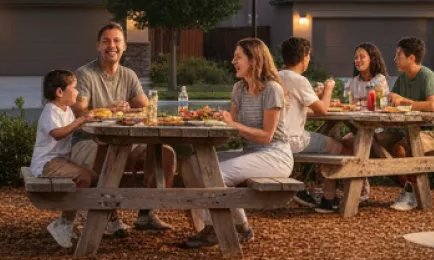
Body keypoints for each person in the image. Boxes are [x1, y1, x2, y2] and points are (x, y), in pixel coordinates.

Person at [179, 38, 293, 248]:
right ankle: (241, 227)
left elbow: (267, 135)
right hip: (251, 151)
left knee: (214, 173)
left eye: (238, 57)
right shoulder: (239, 88)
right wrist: (212, 117)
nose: (233, 61)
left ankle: (213, 229)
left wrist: (233, 124)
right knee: (194, 164)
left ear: (254, 60)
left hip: (275, 155)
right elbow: (232, 128)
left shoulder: (272, 89)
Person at [71, 21, 176, 236]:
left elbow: (145, 107)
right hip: (88, 142)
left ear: (124, 46)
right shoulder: (85, 74)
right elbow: (79, 112)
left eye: (117, 41)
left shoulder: (129, 75)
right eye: (106, 41)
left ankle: (147, 213)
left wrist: (131, 110)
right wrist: (108, 109)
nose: (112, 45)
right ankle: (106, 214)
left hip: (125, 140)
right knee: (111, 152)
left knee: (165, 153)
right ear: (98, 46)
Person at [31, 70, 97, 248]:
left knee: (94, 174)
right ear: (60, 92)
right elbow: (58, 134)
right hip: (47, 164)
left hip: (62, 160)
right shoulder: (50, 110)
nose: (78, 92)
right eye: (74, 88)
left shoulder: (66, 109)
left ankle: (76, 219)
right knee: (84, 177)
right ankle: (65, 225)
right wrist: (81, 120)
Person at [277, 36, 344, 212]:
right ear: (305, 57)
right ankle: (328, 199)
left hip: (275, 138)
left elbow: (298, 107)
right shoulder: (299, 80)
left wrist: (314, 95)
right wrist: (329, 89)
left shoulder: (276, 76)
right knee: (336, 146)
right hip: (293, 140)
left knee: (322, 140)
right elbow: (323, 110)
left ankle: (304, 188)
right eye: (309, 56)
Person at [384, 36, 434, 211]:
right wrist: (390, 98)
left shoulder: (427, 76)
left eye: (398, 55)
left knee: (401, 149)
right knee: (376, 144)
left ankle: (411, 194)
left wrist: (403, 100)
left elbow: (432, 106)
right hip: (409, 131)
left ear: (411, 58)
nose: (394, 59)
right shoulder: (403, 78)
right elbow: (393, 98)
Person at [336, 43, 391, 210]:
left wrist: (358, 102)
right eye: (356, 57)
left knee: (352, 143)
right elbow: (348, 103)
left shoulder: (379, 80)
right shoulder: (352, 82)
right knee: (342, 143)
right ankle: (358, 187)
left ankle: (360, 190)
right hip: (358, 129)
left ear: (372, 58)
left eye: (362, 57)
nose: (358, 60)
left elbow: (381, 104)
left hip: (376, 129)